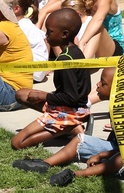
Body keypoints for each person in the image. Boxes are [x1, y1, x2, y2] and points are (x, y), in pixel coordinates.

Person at [10, 9, 91, 150]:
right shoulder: (75, 51)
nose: (46, 35)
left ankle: (66, 128)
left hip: (69, 111)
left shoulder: (66, 60)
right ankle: (69, 126)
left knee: (17, 143)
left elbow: (71, 97)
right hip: (74, 106)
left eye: (50, 32)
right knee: (22, 94)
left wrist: (44, 95)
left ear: (65, 34)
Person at [14, 0, 49, 83]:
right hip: (39, 70)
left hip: (35, 71)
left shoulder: (21, 25)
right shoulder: (26, 22)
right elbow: (44, 37)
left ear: (16, 9)